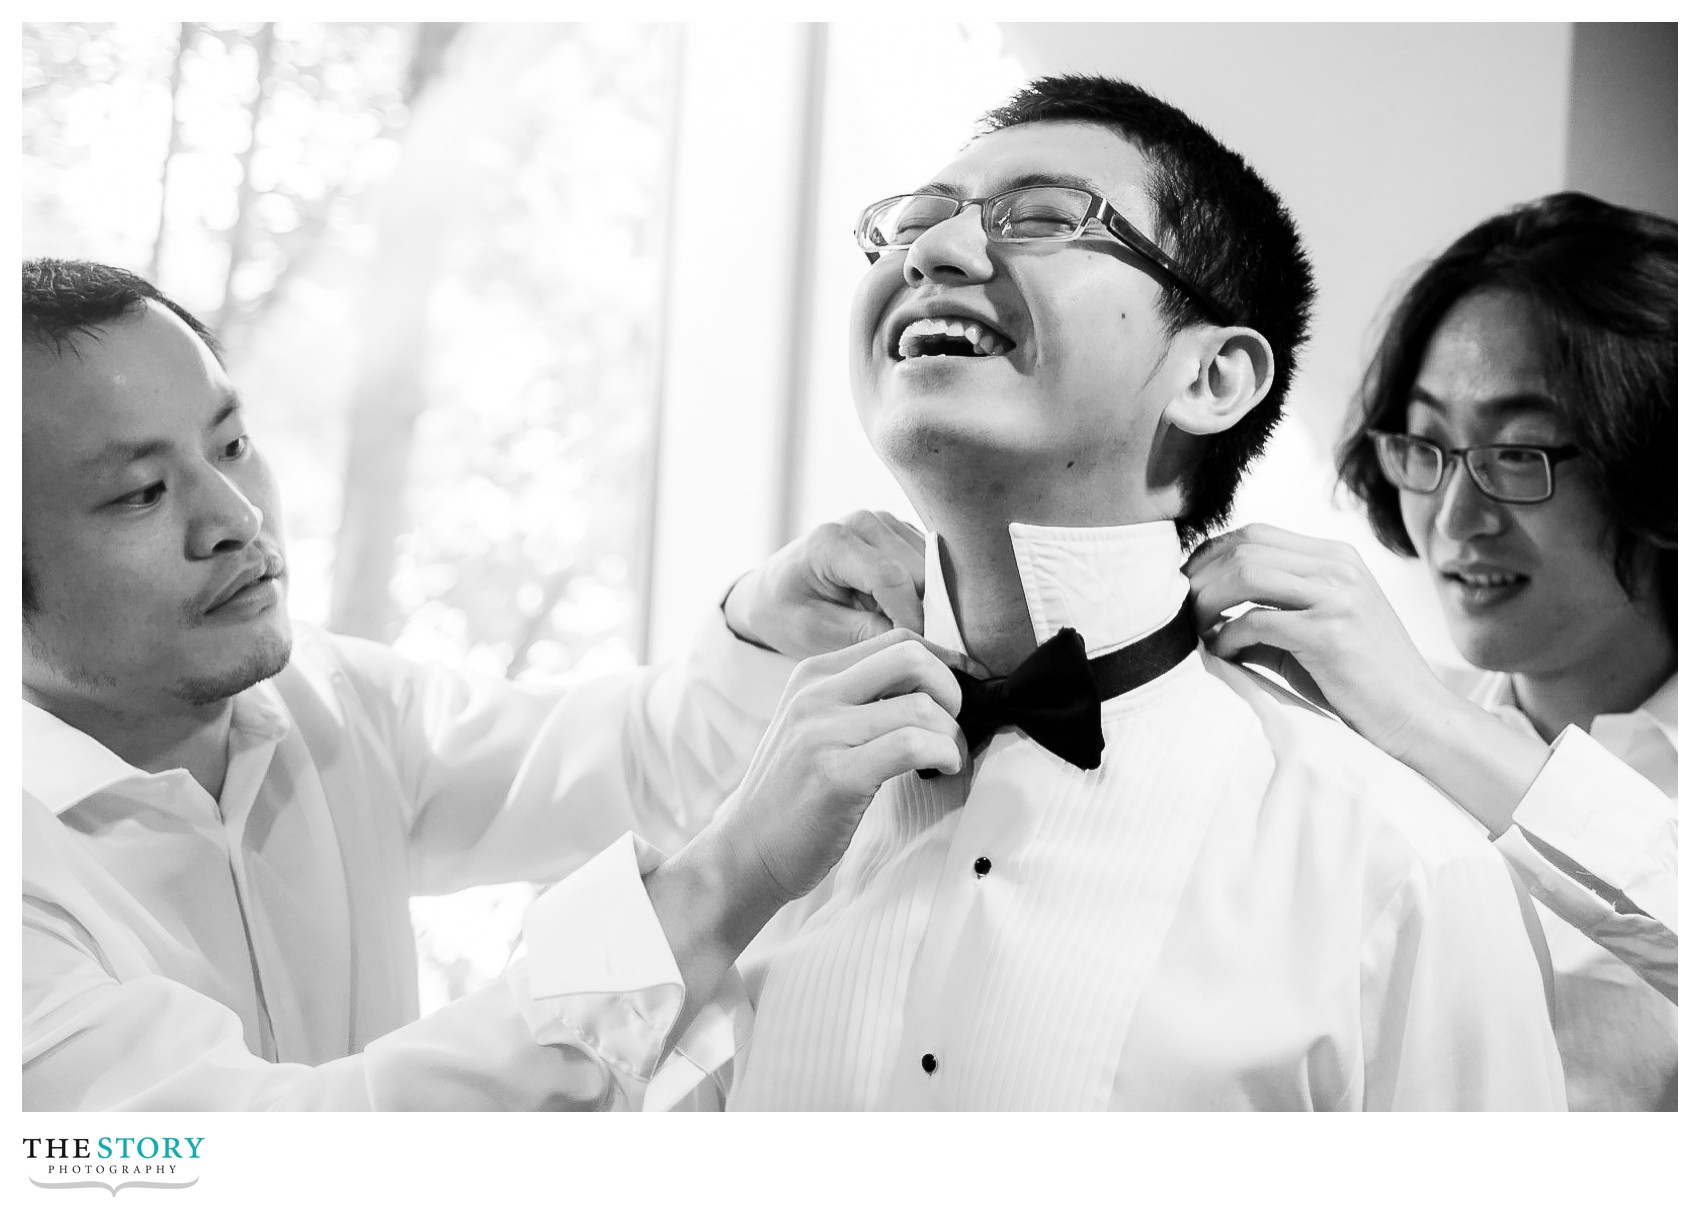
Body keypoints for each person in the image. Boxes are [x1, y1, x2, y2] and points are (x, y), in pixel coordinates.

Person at [576, 74, 1566, 1110]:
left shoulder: (1403, 867)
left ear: (1214, 377)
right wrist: (722, 873)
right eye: (911, 223)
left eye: (1041, 219)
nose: (934, 252)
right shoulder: (749, 816)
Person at [22, 258, 966, 1111]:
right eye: (142, 491)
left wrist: (765, 623)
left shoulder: (330, 701)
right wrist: (724, 883)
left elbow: (619, 760)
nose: (234, 517)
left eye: (230, 445)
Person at [1186, 193, 1676, 1111]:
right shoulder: (1360, 741)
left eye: (1520, 454)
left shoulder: (1415, 714)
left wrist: (1427, 718)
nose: (1455, 519)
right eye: (1428, 445)